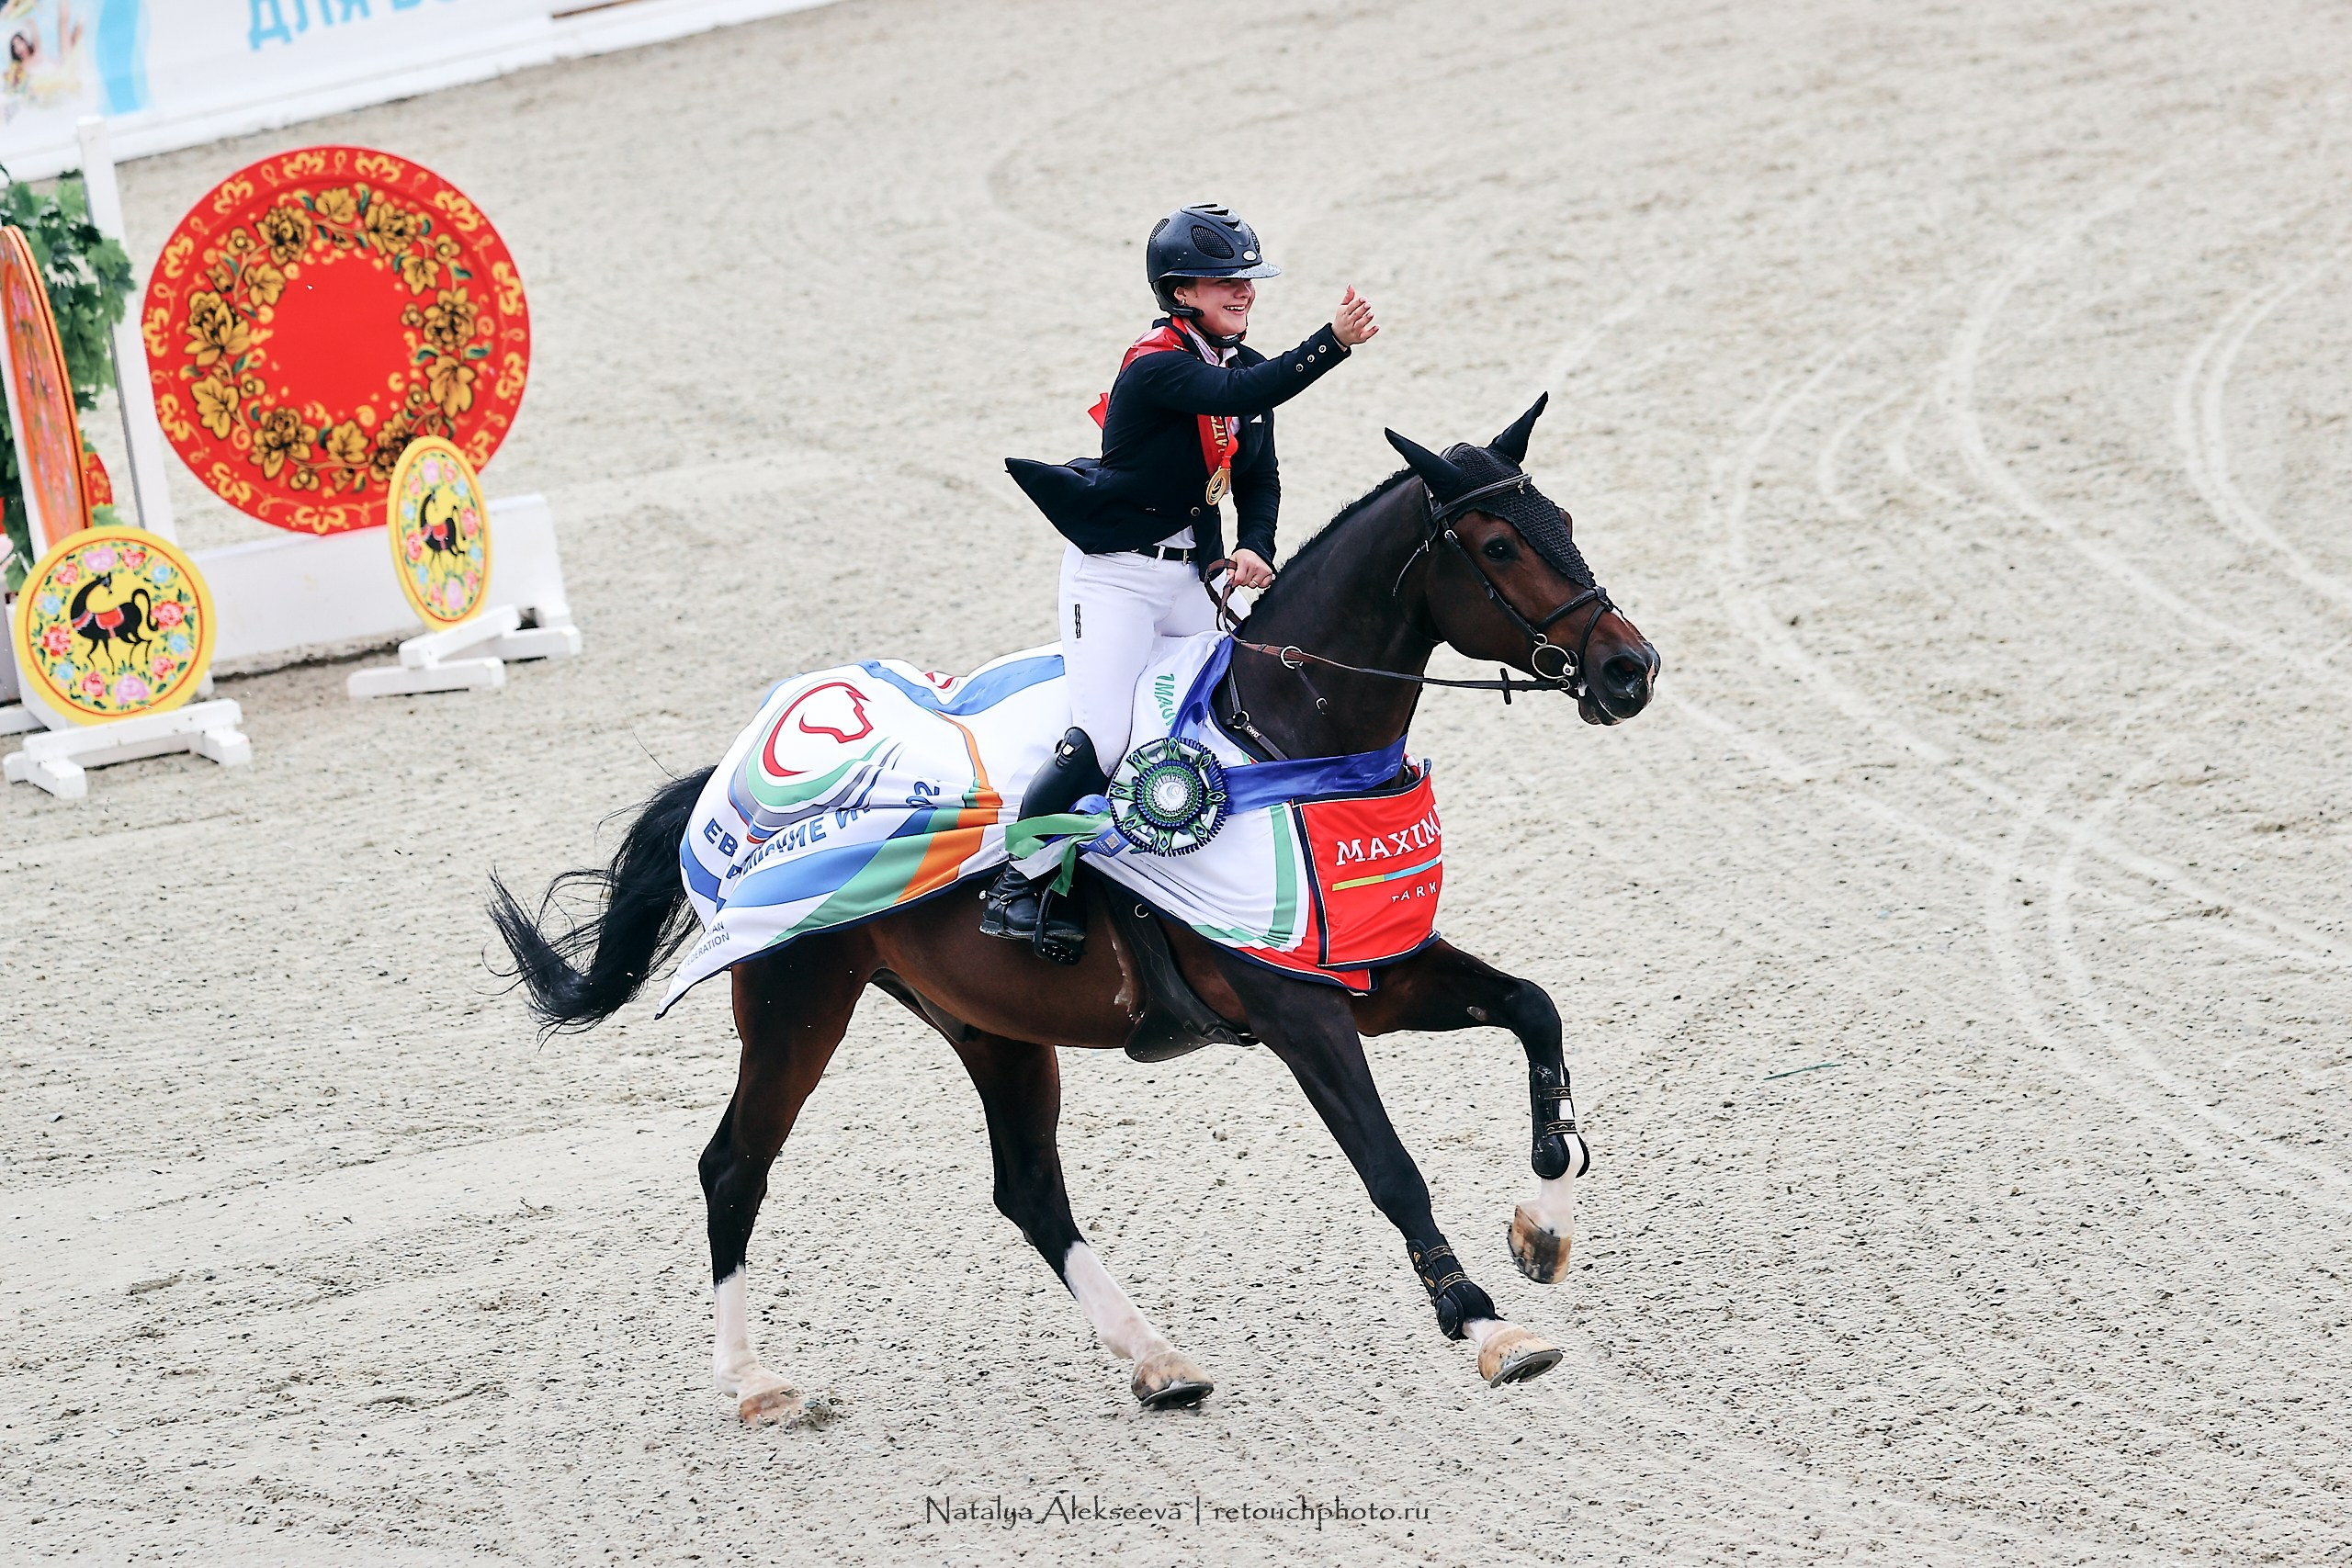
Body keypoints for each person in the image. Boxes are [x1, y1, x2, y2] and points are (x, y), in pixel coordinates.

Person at [985, 202, 1380, 960]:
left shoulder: (1237, 362)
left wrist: (1253, 546)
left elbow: (1258, 475)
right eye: (1224, 279)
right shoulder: (1156, 365)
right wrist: (1331, 344)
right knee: (1105, 737)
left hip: (1186, 576)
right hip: (1116, 581)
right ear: (1179, 292)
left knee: (1217, 719)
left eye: (1247, 278)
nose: (1243, 291)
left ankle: (1189, 874)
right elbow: (1241, 398)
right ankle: (1020, 882)